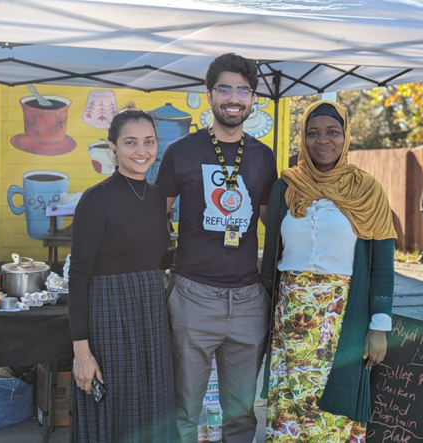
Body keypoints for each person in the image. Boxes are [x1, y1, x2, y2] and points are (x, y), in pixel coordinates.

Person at [156, 53, 278, 442]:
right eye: (225, 88)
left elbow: (271, 225)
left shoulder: (262, 156)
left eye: (243, 90)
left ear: (253, 98)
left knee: (242, 415)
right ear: (208, 94)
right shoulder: (181, 152)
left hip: (247, 301)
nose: (234, 97)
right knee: (184, 409)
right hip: (193, 295)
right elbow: (157, 216)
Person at [260, 101, 396, 442]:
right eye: (313, 133)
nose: (323, 140)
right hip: (290, 318)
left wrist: (379, 325)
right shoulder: (286, 187)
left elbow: (383, 264)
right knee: (289, 415)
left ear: (345, 136)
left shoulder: (367, 190)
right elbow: (270, 256)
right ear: (302, 139)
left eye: (332, 132)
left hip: (340, 318)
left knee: (333, 418)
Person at [68, 106, 176, 442]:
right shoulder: (96, 199)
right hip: (110, 316)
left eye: (149, 142)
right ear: (112, 146)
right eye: (131, 142)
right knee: (114, 410)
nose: (141, 151)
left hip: (153, 316)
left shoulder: (159, 197)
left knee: (153, 411)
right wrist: (82, 354)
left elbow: (156, 259)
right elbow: (79, 277)